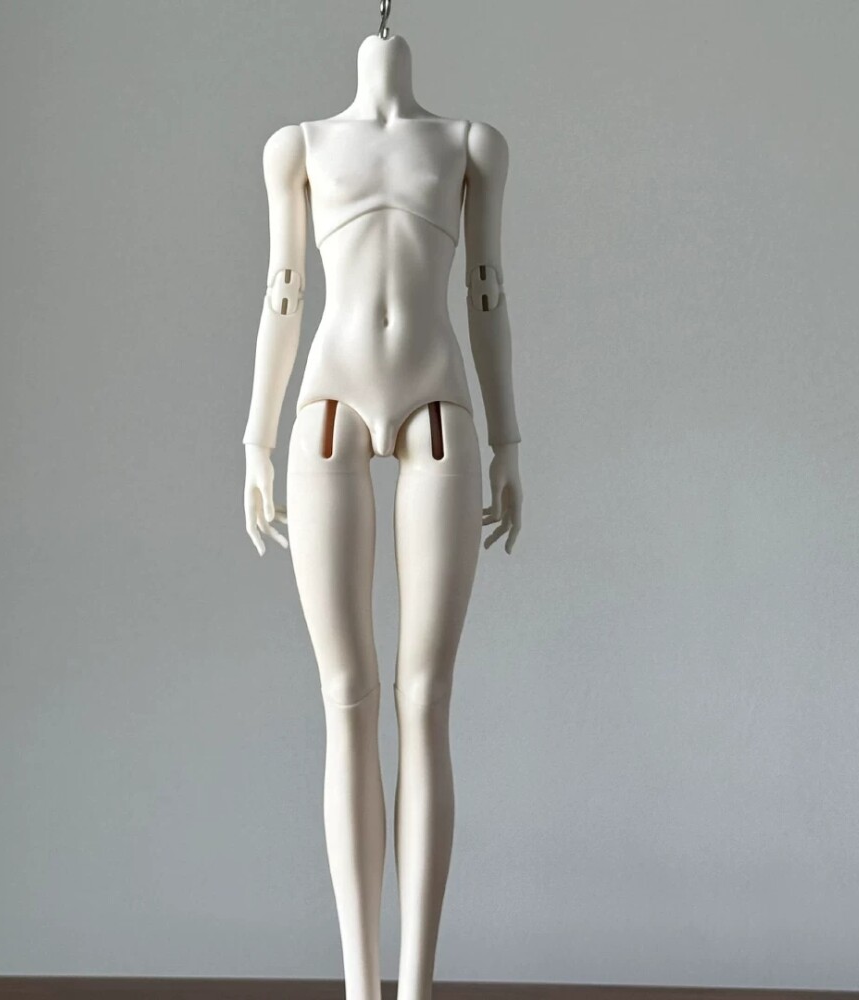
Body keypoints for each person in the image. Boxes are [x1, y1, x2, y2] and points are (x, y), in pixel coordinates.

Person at [241, 31, 522, 1000]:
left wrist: (510, 439)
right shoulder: (297, 145)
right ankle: (362, 986)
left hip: (440, 405)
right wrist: (254, 437)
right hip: (326, 405)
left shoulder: (472, 143)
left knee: (424, 697)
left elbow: (486, 291)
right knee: (347, 695)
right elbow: (283, 291)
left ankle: (415, 987)